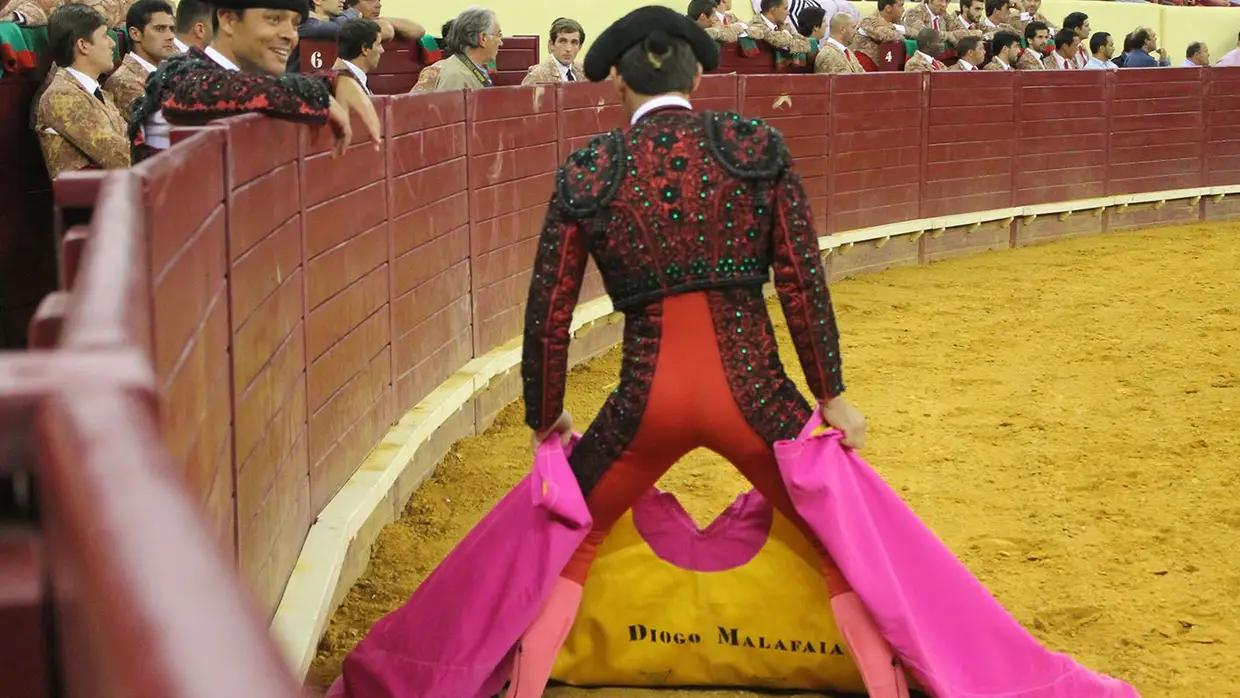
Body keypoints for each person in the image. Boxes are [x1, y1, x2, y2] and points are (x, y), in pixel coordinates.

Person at [514, 5, 892, 697]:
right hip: (754, 396)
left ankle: (522, 689)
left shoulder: (590, 167)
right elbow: (801, 282)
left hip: (642, 404)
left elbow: (550, 312)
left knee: (574, 540)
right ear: (696, 77)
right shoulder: (755, 146)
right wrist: (830, 394)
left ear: (617, 85)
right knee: (837, 545)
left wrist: (546, 415)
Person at [127, 0, 380, 162]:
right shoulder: (179, 76)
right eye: (273, 19)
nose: (289, 36)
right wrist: (319, 91)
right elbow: (201, 91)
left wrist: (337, 79)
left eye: (294, 24)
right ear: (228, 20)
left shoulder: (244, 80)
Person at [35, 2, 130, 179]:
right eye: (104, 36)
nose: (112, 43)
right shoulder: (62, 96)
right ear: (83, 45)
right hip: (92, 202)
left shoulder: (94, 90)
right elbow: (120, 157)